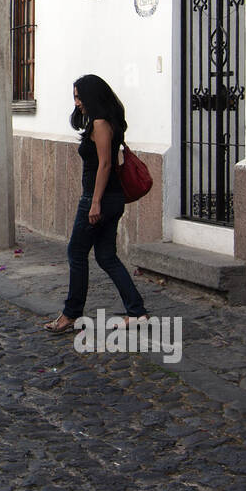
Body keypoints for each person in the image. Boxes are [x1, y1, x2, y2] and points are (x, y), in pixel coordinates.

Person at [43, 73, 148, 334]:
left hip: (99, 198)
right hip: (112, 198)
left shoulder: (101, 123)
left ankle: (71, 314)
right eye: (75, 97)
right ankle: (137, 312)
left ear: (91, 95)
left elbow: (105, 164)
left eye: (79, 97)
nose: (77, 102)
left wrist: (95, 203)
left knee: (76, 253)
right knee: (106, 256)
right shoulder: (103, 121)